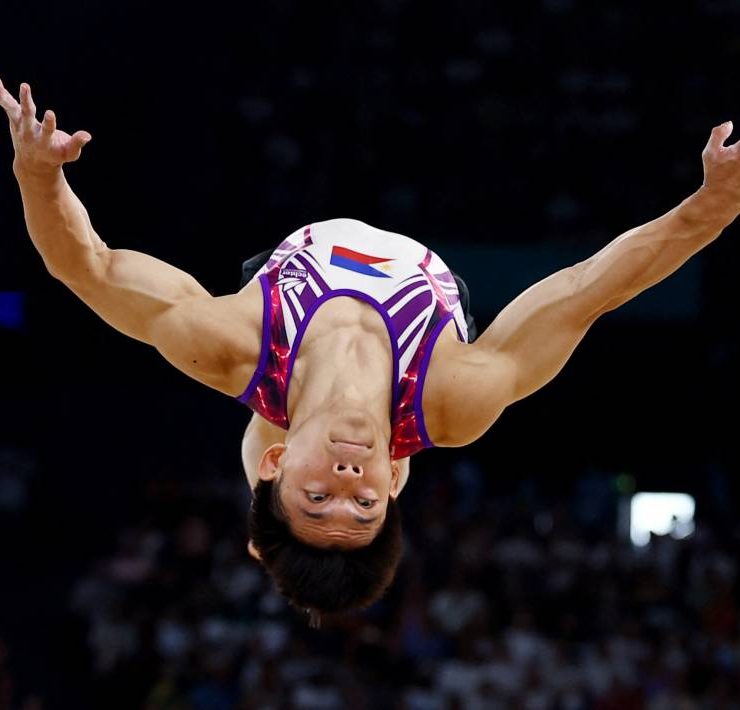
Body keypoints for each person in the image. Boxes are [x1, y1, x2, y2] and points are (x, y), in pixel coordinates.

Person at [3, 80, 739, 623]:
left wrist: (39, 176)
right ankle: (283, 529)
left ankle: (268, 522)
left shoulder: (230, 348)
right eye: (363, 502)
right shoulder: (457, 396)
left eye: (320, 495)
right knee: (304, 472)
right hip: (422, 313)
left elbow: (88, 268)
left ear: (279, 466)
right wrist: (709, 208)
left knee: (266, 426)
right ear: (394, 479)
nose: (347, 478)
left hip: (288, 296)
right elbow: (590, 289)